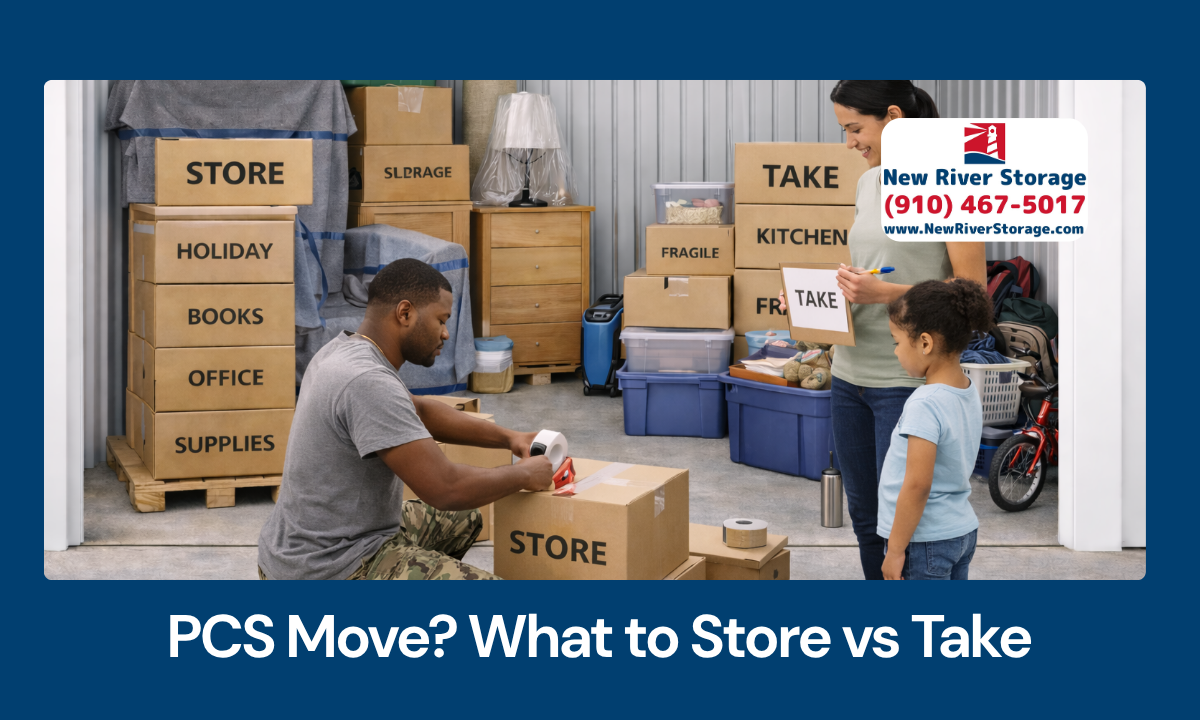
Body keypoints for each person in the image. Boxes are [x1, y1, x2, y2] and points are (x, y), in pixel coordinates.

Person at [257, 258, 553, 580]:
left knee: (466, 517)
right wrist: (524, 475)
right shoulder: (366, 380)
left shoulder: (346, 350)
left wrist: (511, 438)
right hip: (328, 568)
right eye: (441, 320)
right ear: (405, 313)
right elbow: (446, 488)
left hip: (310, 546)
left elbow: (420, 410)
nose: (446, 333)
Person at [828, 80, 987, 580]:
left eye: (855, 128)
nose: (849, 142)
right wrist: (826, 298)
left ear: (893, 117)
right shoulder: (868, 182)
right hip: (850, 372)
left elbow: (973, 293)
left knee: (904, 523)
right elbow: (871, 274)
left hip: (907, 380)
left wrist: (889, 295)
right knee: (864, 518)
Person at [877, 279, 990, 580]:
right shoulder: (966, 389)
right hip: (960, 531)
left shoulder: (925, 404)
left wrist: (896, 550)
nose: (896, 352)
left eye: (897, 342)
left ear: (925, 343)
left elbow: (917, 485)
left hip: (923, 542)